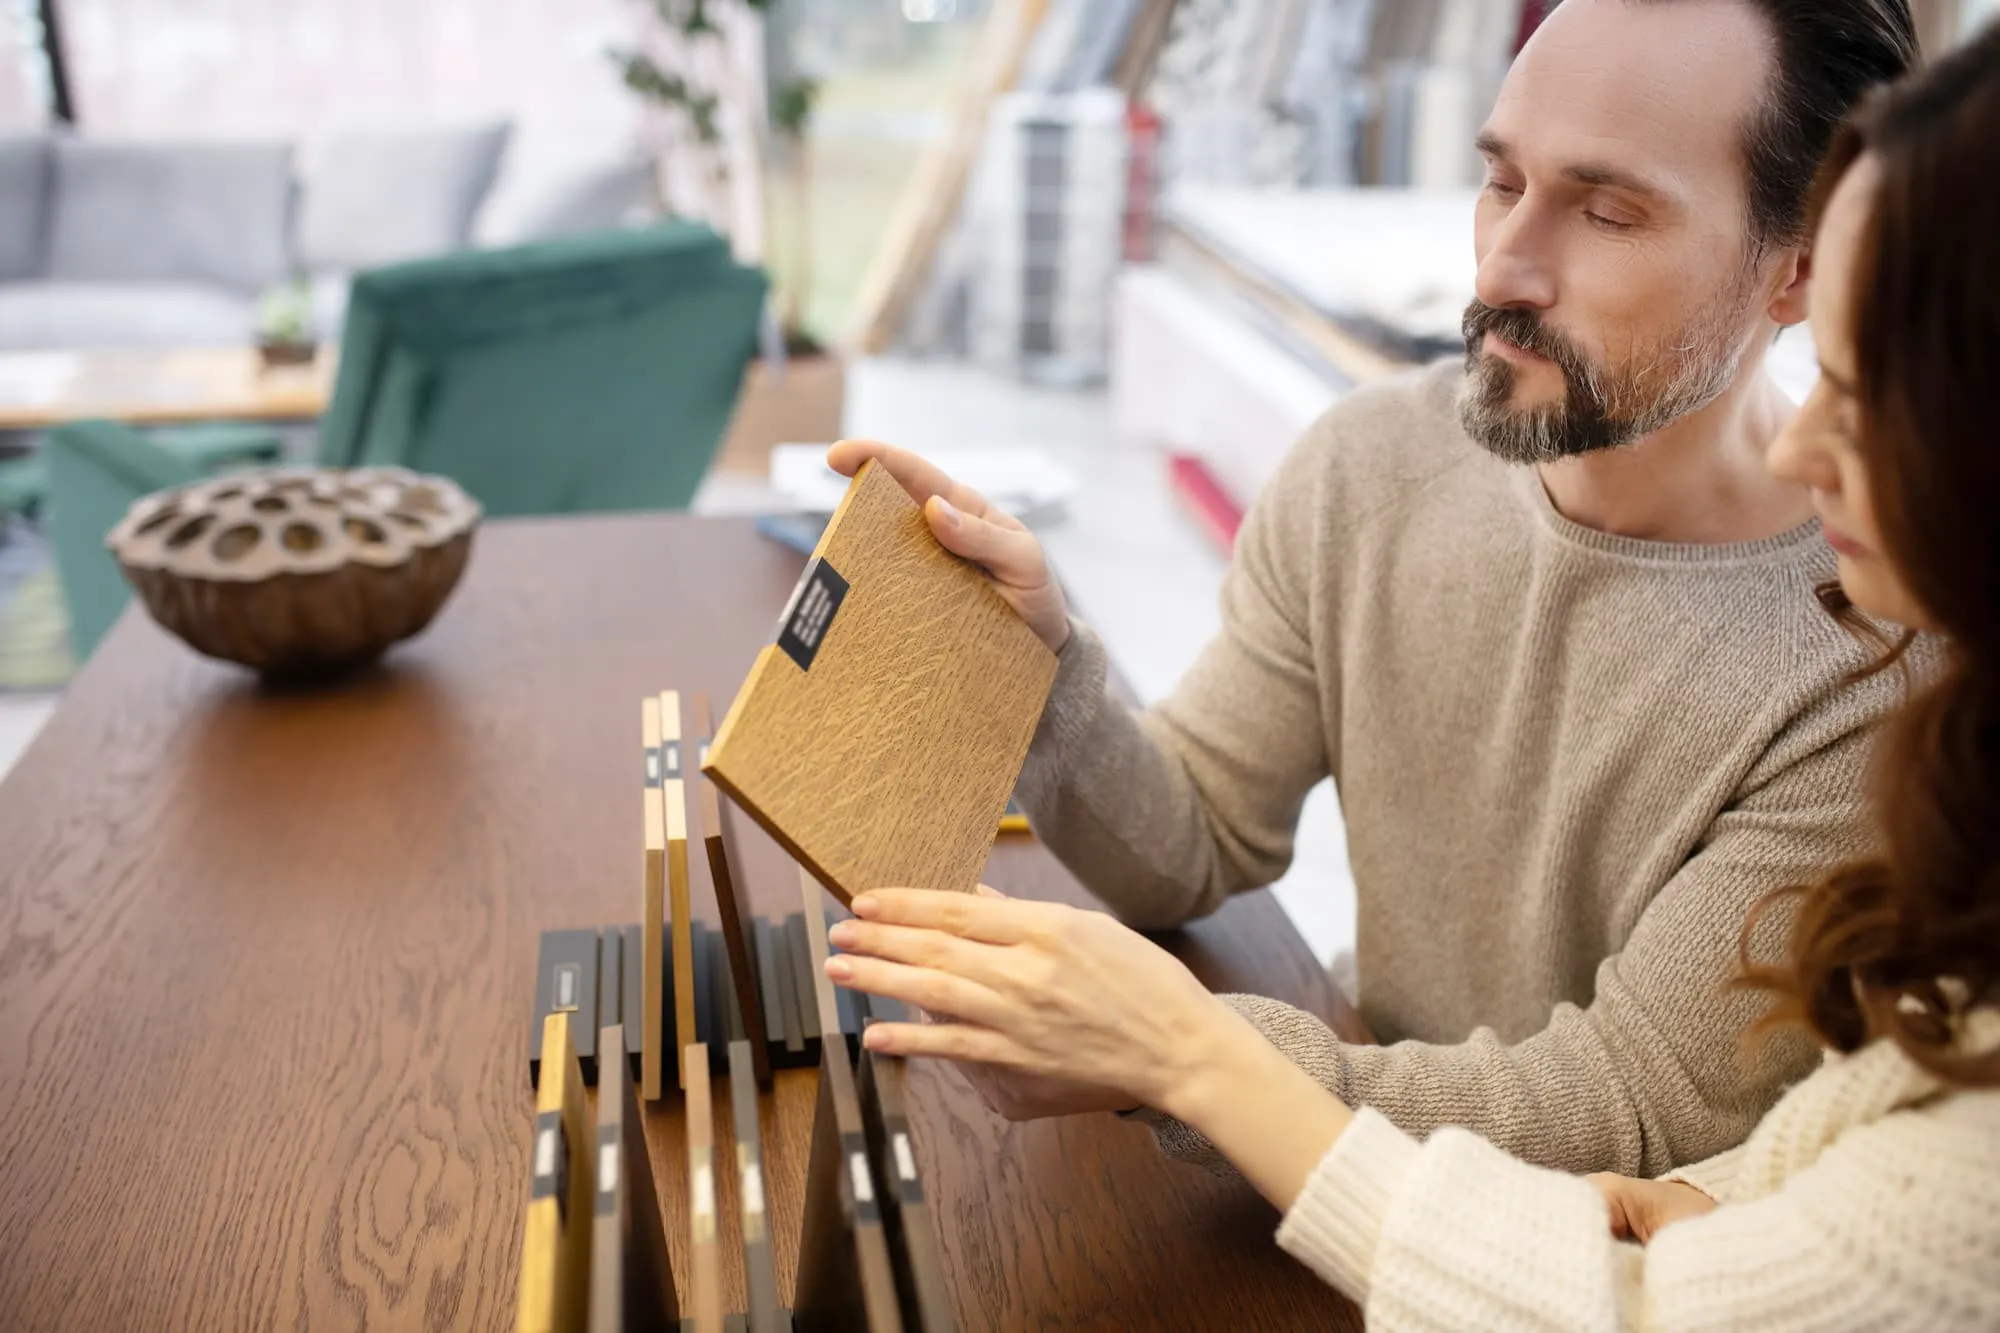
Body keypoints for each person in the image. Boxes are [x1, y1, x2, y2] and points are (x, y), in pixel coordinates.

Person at [825, 28, 2000, 1326]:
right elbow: (1192, 839)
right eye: (1501, 181)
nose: (1507, 264)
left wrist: (1188, 1057)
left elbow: (1625, 1110)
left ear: (1797, 271)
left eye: (1607, 212)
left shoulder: (1886, 645)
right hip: (1380, 1198)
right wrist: (1042, 662)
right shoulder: (1369, 464)